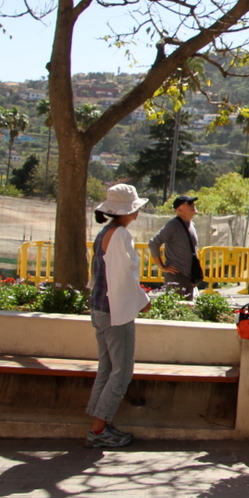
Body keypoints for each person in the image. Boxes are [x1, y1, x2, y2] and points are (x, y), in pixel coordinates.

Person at [84, 184, 152, 449]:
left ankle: (99, 423)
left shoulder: (105, 232)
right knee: (121, 372)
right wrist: (143, 303)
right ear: (130, 210)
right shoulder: (121, 234)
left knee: (107, 369)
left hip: (100, 308)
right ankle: (98, 430)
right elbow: (124, 278)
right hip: (116, 312)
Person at [147, 195, 202, 298]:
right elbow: (153, 243)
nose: (193, 205)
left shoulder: (192, 225)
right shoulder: (172, 225)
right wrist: (161, 266)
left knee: (188, 310)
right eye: (189, 203)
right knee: (177, 310)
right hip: (177, 276)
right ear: (179, 209)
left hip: (190, 277)